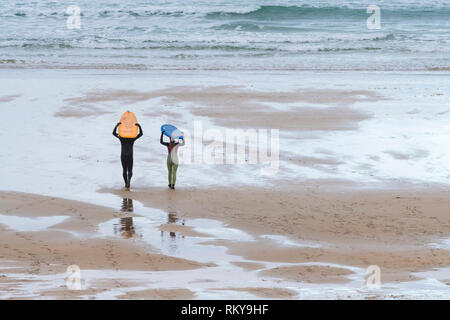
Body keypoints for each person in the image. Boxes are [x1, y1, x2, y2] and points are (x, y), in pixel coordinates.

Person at [112, 122, 143, 189]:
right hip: (130, 156)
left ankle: (126, 183)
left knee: (124, 171)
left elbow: (113, 133)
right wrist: (139, 126)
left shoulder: (121, 138)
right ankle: (129, 180)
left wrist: (117, 126)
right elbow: (141, 134)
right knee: (130, 171)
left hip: (123, 156)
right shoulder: (132, 138)